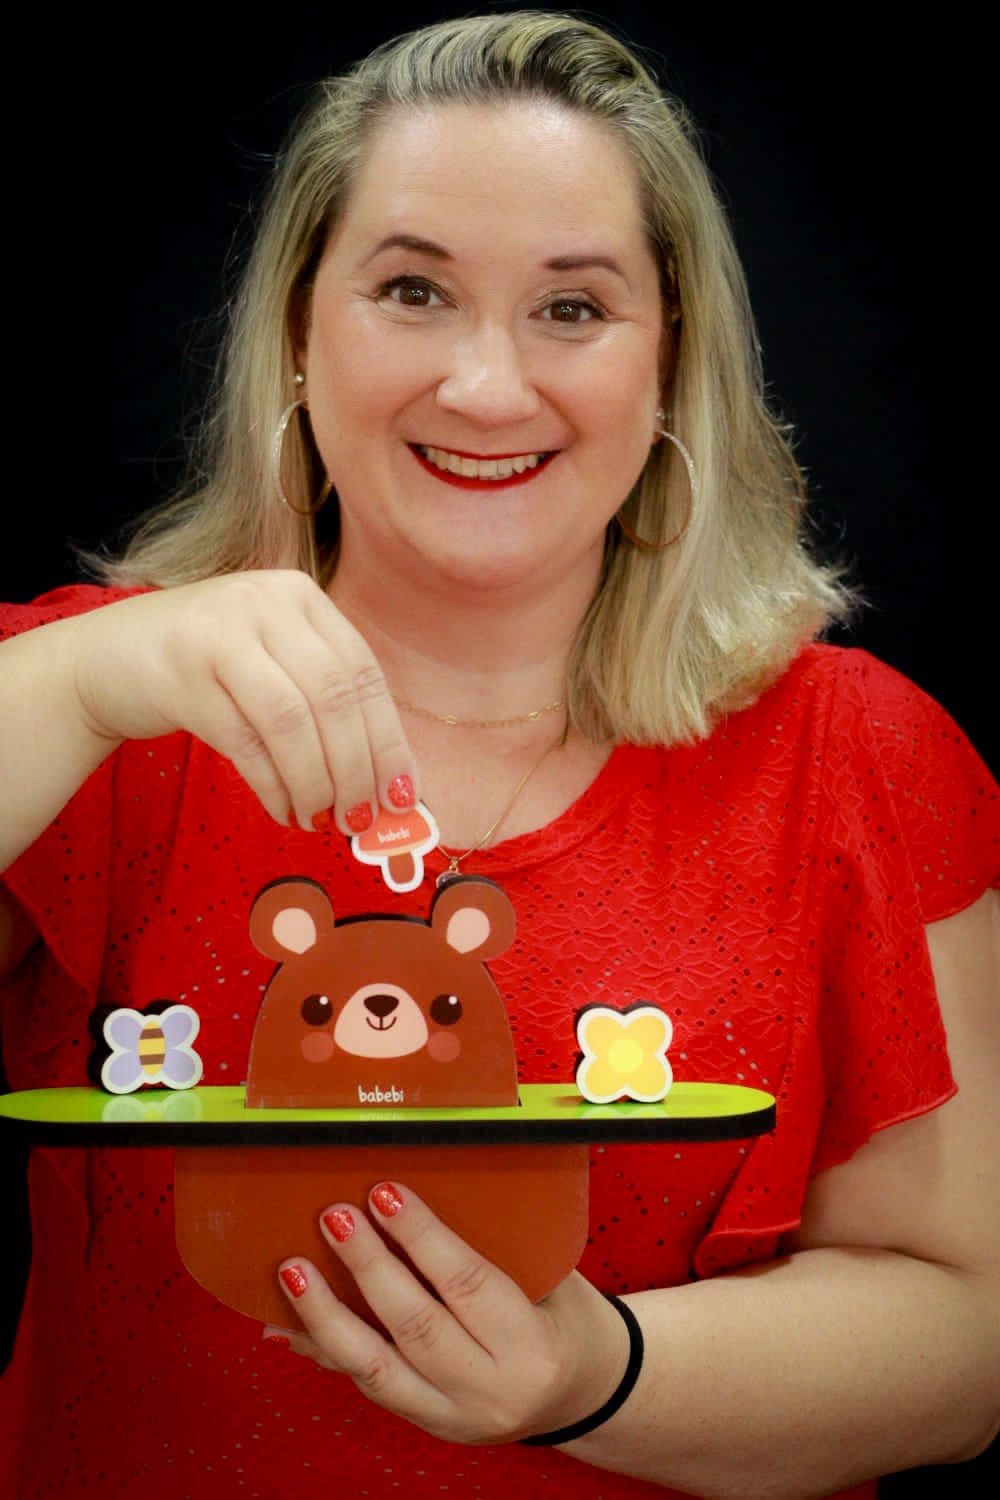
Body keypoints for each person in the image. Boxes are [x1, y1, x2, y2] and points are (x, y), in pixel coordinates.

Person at [1, 10, 997, 1498]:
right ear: (297, 332)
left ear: (670, 364)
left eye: (572, 308)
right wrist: (79, 684)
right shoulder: (94, 706)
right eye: (413, 290)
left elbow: (966, 1342)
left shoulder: (859, 754)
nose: (485, 386)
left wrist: (600, 1375)